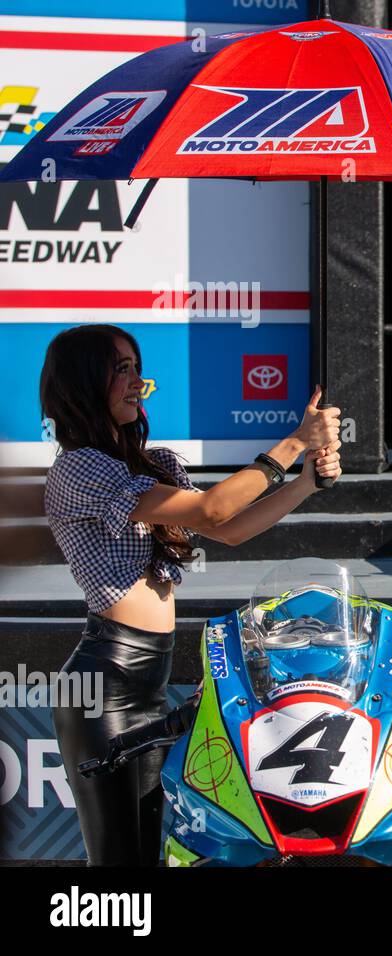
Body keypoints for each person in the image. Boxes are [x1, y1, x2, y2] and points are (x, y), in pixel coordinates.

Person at [41, 324, 342, 865]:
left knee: (150, 855)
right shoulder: (78, 468)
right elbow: (212, 510)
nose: (137, 381)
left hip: (148, 681)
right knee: (116, 865)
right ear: (83, 382)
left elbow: (228, 529)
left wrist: (305, 483)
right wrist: (295, 440)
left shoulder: (149, 463)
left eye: (138, 367)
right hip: (103, 684)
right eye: (121, 369)